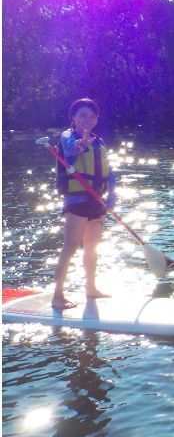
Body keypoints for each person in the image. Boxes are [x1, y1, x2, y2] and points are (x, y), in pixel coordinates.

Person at [51, 98, 116, 310]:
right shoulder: (68, 137)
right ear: (73, 118)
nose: (87, 120)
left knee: (92, 249)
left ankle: (91, 288)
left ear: (96, 119)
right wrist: (80, 145)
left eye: (91, 116)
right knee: (69, 248)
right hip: (77, 200)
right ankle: (58, 296)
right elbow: (71, 150)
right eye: (82, 115)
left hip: (97, 201)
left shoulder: (100, 142)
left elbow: (109, 171)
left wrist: (112, 195)